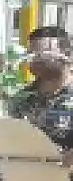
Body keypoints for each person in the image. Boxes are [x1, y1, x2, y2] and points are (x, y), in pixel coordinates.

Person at [10, 25, 73, 164]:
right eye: (31, 53)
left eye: (43, 53)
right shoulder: (23, 98)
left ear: (66, 55)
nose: (34, 59)